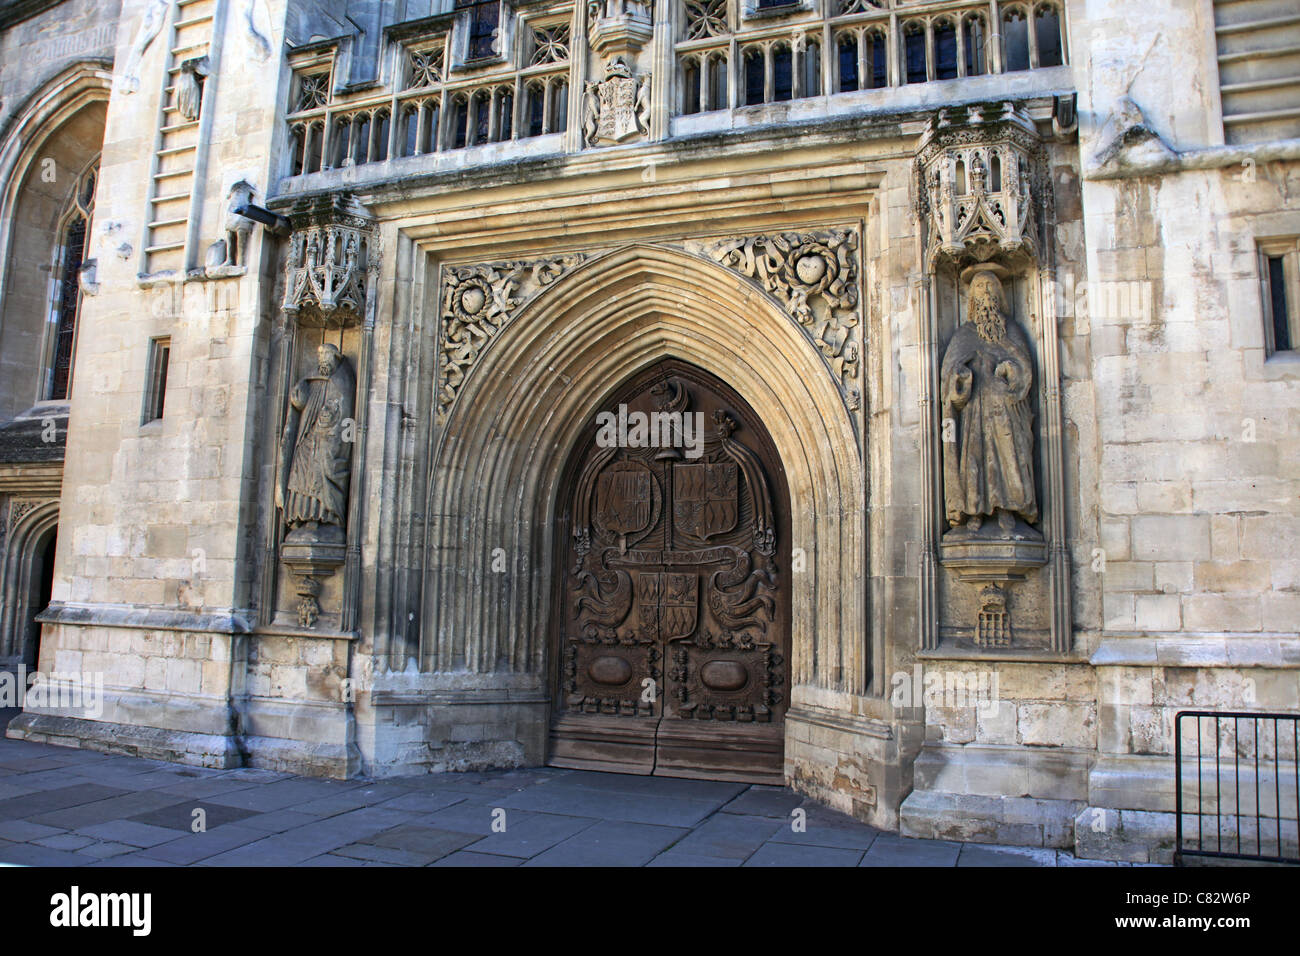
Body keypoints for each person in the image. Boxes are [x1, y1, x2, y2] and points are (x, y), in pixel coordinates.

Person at [940, 271, 1038, 535]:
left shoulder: (1011, 330)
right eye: (979, 287)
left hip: (1006, 411)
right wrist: (960, 379)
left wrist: (1011, 369)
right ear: (972, 296)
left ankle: (1008, 510)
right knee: (975, 461)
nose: (985, 292)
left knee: (1008, 458)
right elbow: (950, 374)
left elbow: (1025, 366)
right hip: (975, 413)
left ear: (998, 293)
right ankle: (974, 513)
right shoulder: (965, 334)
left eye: (989, 286)